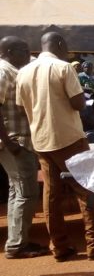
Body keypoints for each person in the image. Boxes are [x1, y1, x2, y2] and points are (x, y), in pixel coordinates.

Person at [15, 32, 94, 262]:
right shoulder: (63, 68)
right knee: (86, 188)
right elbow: (78, 103)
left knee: (51, 194)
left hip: (41, 140)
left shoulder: (23, 72)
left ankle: (59, 247)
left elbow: (21, 107)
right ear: (60, 44)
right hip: (68, 138)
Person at [0, 36, 49, 259]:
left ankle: (17, 240)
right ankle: (17, 245)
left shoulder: (12, 71)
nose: (28, 55)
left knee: (17, 191)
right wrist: (9, 142)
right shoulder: (4, 72)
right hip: (14, 142)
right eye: (24, 50)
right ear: (10, 51)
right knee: (27, 193)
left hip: (16, 141)